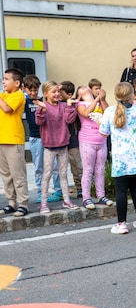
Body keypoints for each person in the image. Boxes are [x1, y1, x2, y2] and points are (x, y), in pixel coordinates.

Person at [99, 82, 136, 234]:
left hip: (121, 156)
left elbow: (103, 133)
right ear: (131, 95)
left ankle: (121, 223)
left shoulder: (110, 111)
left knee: (121, 191)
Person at [35, 81, 80, 213]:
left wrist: (70, 106)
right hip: (49, 146)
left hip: (63, 145)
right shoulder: (43, 106)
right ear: (45, 94)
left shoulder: (63, 105)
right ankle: (43, 203)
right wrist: (42, 109)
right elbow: (39, 121)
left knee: (63, 174)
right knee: (47, 174)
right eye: (53, 92)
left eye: (57, 91)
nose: (56, 94)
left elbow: (69, 120)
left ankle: (67, 200)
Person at [23, 74, 63, 204]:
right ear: (25, 89)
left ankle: (58, 191)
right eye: (31, 90)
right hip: (36, 138)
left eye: (36, 89)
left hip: (50, 137)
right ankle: (41, 192)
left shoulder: (44, 100)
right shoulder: (24, 101)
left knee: (55, 166)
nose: (34, 93)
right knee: (39, 167)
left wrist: (58, 89)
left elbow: (55, 98)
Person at [76, 85, 113, 209]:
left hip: (101, 140)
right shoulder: (80, 104)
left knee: (100, 169)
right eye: (82, 89)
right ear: (79, 95)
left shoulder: (99, 102)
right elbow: (86, 114)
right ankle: (86, 197)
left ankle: (101, 195)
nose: (86, 89)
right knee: (88, 170)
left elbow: (108, 112)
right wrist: (96, 100)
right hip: (87, 141)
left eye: (87, 88)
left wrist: (102, 99)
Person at [0, 68, 29, 217]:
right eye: (3, 79)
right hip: (2, 139)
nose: (3, 81)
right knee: (6, 175)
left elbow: (6, 109)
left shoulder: (18, 96)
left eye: (6, 79)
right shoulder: (3, 95)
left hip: (14, 139)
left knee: (18, 174)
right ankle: (11, 202)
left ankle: (23, 204)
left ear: (17, 83)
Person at [59, 81, 83, 198]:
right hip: (60, 139)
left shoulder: (74, 104)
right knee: (61, 167)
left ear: (69, 94)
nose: (57, 93)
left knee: (76, 165)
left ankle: (80, 187)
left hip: (73, 138)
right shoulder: (56, 103)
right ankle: (61, 190)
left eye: (60, 91)